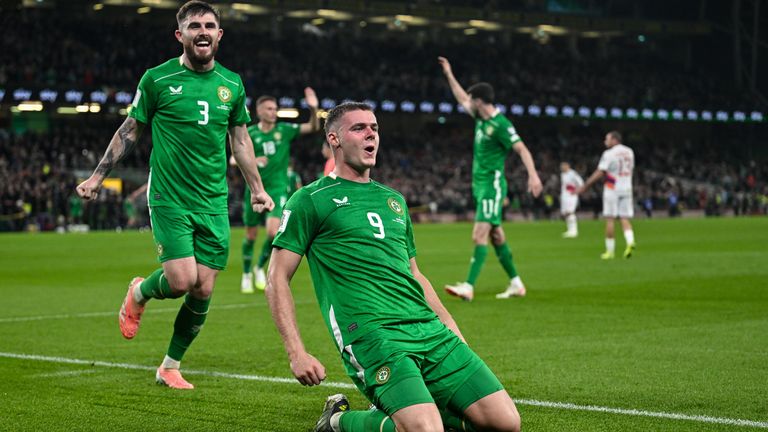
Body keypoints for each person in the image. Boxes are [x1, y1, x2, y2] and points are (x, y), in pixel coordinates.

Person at [266, 102, 521, 432]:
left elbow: (414, 274)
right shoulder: (310, 199)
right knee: (425, 429)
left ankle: (401, 409)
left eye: (374, 127)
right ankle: (338, 422)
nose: (371, 133)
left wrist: (450, 327)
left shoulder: (394, 200)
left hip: (426, 329)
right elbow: (277, 277)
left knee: (505, 423)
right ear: (334, 139)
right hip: (374, 333)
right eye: (359, 128)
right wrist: (296, 352)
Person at [76, 1, 274, 389]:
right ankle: (139, 291)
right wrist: (98, 176)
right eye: (194, 25)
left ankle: (169, 365)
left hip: (214, 200)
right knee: (182, 280)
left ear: (219, 35)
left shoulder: (232, 84)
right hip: (169, 197)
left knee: (204, 287)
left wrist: (257, 190)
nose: (202, 31)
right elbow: (130, 130)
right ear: (179, 35)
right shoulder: (157, 79)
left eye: (210, 25)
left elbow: (240, 139)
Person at [438, 56, 543, 301]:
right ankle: (516, 283)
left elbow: (522, 149)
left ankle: (469, 286)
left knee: (479, 234)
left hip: (491, 186)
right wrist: (449, 74)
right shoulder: (481, 118)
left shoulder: (501, 125)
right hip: (480, 185)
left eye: (471, 100)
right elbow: (461, 97)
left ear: (480, 102)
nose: (467, 103)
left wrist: (533, 175)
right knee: (496, 236)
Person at [236, 90, 320, 293]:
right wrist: (253, 161)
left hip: (278, 188)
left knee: (274, 232)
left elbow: (313, 127)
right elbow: (233, 158)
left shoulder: (285, 129)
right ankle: (247, 273)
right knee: (251, 236)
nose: (274, 112)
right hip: (255, 189)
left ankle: (258, 267)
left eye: (275, 109)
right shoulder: (250, 133)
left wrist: (313, 108)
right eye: (270, 109)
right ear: (259, 111)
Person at [577, 131, 636, 259]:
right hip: (627, 187)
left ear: (614, 140)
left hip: (612, 187)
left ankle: (610, 252)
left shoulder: (609, 153)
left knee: (610, 219)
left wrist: (586, 185)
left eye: (607, 139)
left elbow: (601, 172)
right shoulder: (629, 151)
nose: (605, 141)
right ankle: (630, 241)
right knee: (624, 218)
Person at [559, 161, 584, 238]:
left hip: (571, 196)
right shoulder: (562, 174)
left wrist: (577, 191)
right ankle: (569, 230)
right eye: (561, 166)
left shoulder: (573, 173)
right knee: (565, 213)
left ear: (568, 166)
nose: (561, 167)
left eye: (563, 166)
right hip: (564, 196)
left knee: (570, 212)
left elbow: (581, 183)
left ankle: (574, 231)